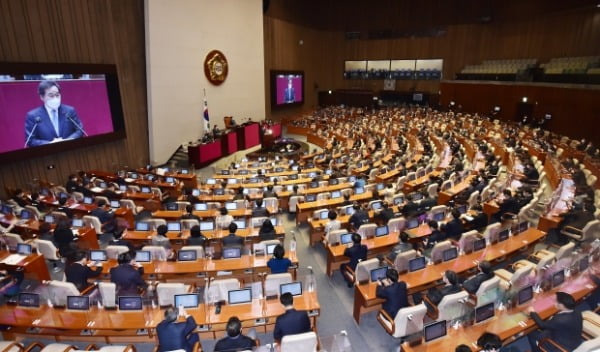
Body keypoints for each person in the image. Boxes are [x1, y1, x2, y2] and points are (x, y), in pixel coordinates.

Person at [24, 80, 85, 147]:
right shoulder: (33, 116)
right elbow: (30, 140)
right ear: (42, 97)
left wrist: (67, 141)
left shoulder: (69, 111)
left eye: (57, 95)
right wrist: (51, 144)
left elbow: (80, 130)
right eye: (51, 96)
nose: (55, 98)